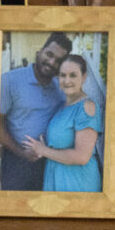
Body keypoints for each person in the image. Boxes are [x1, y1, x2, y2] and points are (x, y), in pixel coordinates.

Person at [0, 31, 72, 190]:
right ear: (40, 52)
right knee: (13, 208)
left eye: (58, 60)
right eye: (49, 54)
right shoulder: (10, 80)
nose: (52, 62)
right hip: (16, 160)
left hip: (50, 162)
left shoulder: (61, 88)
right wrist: (21, 153)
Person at [23, 54, 104, 193]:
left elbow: (82, 156)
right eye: (63, 75)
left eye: (73, 75)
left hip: (78, 184)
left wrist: (43, 150)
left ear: (84, 77)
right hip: (57, 179)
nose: (67, 81)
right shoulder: (62, 107)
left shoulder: (87, 106)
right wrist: (40, 150)